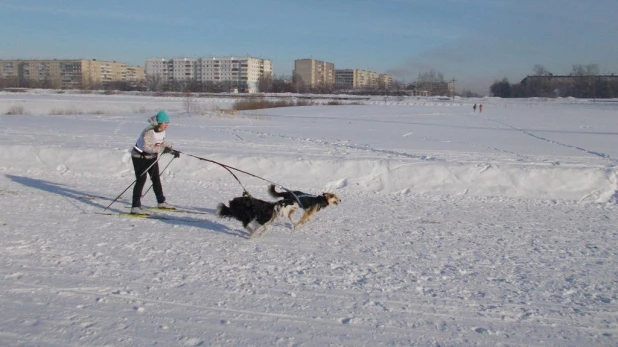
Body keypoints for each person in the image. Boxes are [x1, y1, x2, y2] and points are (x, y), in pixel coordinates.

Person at [130, 111, 180, 214]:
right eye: (165, 122)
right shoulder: (149, 131)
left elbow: (161, 142)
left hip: (151, 157)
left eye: (167, 122)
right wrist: (162, 149)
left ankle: (161, 202)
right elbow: (146, 147)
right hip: (139, 157)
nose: (167, 124)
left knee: (156, 178)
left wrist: (171, 150)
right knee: (141, 180)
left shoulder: (162, 131)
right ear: (160, 122)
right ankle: (135, 206)